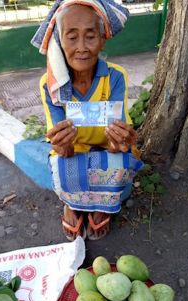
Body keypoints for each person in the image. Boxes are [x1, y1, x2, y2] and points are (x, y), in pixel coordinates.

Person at [31, 0, 142, 241]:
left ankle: (104, 205)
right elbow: (63, 150)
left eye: (90, 36)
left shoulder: (114, 76)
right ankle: (72, 205)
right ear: (59, 40)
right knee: (62, 166)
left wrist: (120, 141)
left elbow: (117, 144)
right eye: (71, 37)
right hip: (75, 151)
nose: (81, 47)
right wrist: (63, 144)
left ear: (102, 40)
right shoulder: (50, 84)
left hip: (105, 147)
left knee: (122, 159)